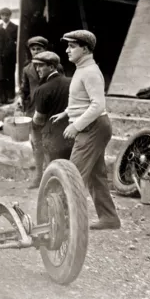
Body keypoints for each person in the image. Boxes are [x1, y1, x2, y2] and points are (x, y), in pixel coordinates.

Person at [50, 30, 121, 231]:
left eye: (72, 46)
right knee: (96, 176)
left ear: (86, 49)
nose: (67, 50)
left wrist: (75, 125)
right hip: (92, 126)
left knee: (73, 175)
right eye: (68, 46)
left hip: (93, 127)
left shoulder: (90, 72)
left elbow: (97, 105)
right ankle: (109, 218)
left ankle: (63, 222)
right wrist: (66, 113)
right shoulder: (82, 68)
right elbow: (81, 101)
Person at [30, 51, 74, 168]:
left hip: (52, 139)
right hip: (72, 135)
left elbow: (39, 120)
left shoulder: (42, 90)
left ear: (51, 67)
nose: (37, 69)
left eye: (40, 65)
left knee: (54, 171)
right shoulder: (71, 82)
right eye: (36, 66)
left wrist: (32, 126)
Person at [16, 36, 49, 188]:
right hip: (33, 110)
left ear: (45, 50)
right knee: (36, 143)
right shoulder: (27, 69)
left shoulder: (53, 65)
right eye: (33, 49)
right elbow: (25, 89)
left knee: (49, 142)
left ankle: (51, 174)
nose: (36, 52)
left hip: (49, 110)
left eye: (39, 49)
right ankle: (39, 175)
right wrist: (21, 99)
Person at [0, 7, 19, 103]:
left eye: (7, 15)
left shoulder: (15, 27)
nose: (5, 17)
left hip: (10, 56)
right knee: (2, 76)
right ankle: (3, 97)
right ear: (0, 16)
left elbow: (16, 42)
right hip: (0, 57)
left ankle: (11, 95)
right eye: (3, 15)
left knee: (10, 75)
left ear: (10, 16)